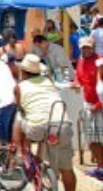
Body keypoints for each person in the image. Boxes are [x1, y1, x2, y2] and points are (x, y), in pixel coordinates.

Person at [13, 54, 76, 191]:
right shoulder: (48, 80)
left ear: (23, 71)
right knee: (67, 168)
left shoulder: (19, 87)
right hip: (61, 125)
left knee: (20, 117)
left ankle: (20, 152)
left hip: (38, 128)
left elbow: (20, 108)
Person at [73, 37, 103, 180]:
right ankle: (101, 167)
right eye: (84, 47)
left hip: (100, 105)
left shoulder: (100, 62)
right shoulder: (80, 60)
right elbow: (78, 77)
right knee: (90, 138)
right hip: (88, 104)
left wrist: (99, 104)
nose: (86, 50)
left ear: (93, 47)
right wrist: (76, 82)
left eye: (88, 47)